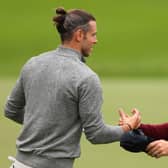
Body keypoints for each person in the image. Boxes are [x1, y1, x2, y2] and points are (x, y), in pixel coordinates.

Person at [4, 7, 141, 168]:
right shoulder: (86, 78)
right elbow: (96, 134)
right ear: (79, 35)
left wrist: (49, 123)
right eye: (93, 35)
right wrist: (128, 126)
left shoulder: (33, 63)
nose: (95, 40)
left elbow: (11, 110)